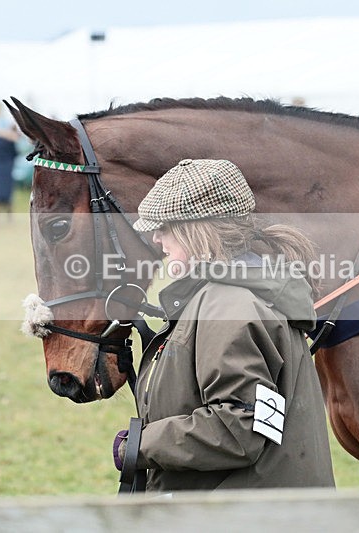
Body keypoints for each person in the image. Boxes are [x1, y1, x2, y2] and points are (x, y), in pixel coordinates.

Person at [113, 158, 335, 492]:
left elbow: (239, 428)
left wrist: (141, 445)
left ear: (195, 230)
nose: (157, 238)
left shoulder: (228, 306)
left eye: (165, 226)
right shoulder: (227, 297)